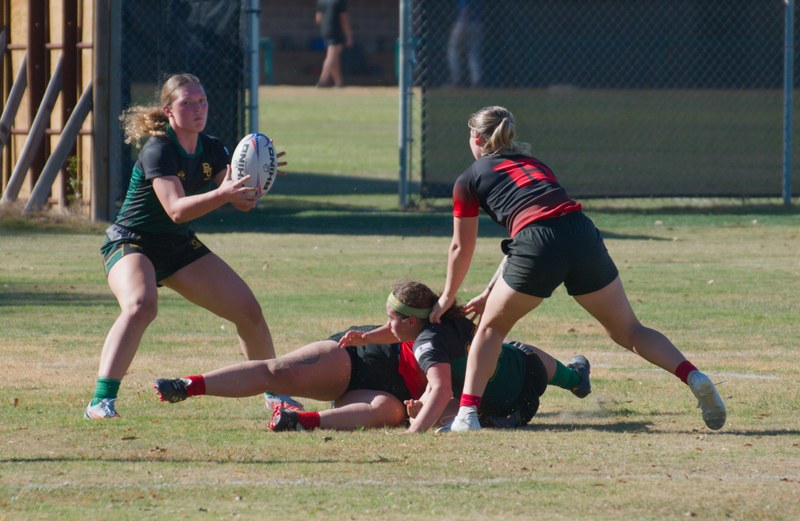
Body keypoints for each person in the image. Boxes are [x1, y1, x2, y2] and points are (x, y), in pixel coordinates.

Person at [429, 105, 727, 433]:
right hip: (580, 231)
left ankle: (467, 417)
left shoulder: (468, 179)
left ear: (475, 137)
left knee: (490, 330)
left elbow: (463, 246)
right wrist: (489, 292)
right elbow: (539, 225)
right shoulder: (535, 164)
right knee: (629, 330)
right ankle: (693, 375)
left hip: (537, 242)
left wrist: (447, 296)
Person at [85, 73, 298, 419]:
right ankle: (101, 401)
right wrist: (223, 194)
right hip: (131, 241)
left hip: (177, 246)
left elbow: (242, 204)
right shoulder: (159, 149)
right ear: (169, 111)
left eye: (202, 102)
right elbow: (176, 209)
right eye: (187, 103)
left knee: (248, 310)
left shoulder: (212, 148)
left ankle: (275, 394)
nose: (198, 109)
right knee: (140, 305)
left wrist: (258, 182)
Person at [154, 280, 592, 433]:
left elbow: (443, 393)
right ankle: (189, 386)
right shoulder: (413, 333)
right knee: (279, 370)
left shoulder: (432, 345)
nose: (386, 322)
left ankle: (300, 421)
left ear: (415, 322)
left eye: (394, 318)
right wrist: (365, 334)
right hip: (366, 367)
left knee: (532, 362)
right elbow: (436, 388)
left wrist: (418, 427)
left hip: (506, 385)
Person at [315, 0, 354, 88]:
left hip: (325, 30)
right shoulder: (339, 1)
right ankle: (322, 80)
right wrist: (348, 36)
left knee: (335, 57)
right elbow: (343, 18)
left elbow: (318, 19)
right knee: (331, 56)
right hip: (336, 31)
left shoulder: (321, 1)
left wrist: (326, 27)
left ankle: (339, 82)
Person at [446, 0, 483, 87]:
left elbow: (465, 9)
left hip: (464, 22)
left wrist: (463, 26)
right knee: (473, 54)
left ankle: (456, 80)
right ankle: (476, 80)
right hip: (477, 23)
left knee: (453, 50)